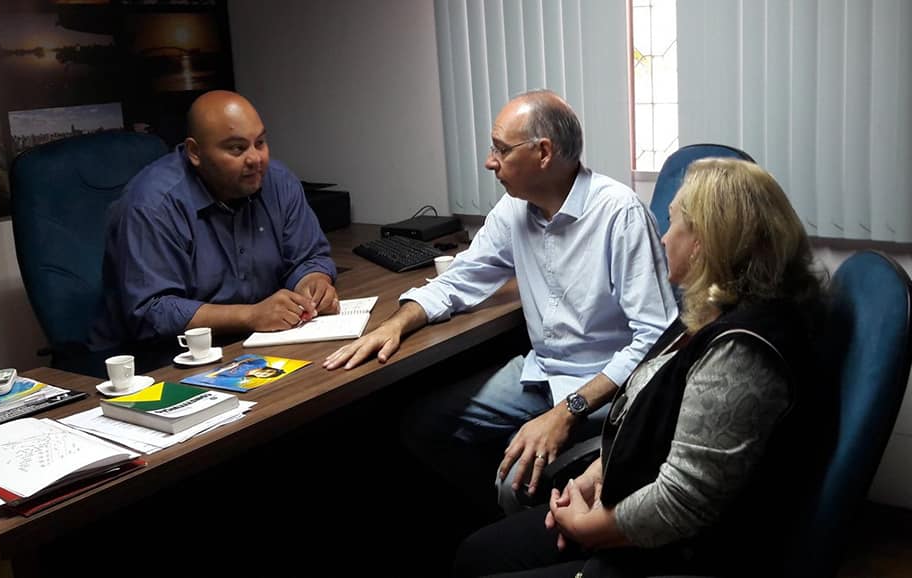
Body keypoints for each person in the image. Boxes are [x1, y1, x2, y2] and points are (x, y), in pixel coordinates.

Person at [453, 158, 827, 578]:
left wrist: (589, 527)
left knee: (480, 561)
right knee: (476, 552)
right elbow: (653, 417)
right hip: (628, 496)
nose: (664, 239)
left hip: (678, 550)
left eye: (672, 224)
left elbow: (682, 503)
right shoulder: (716, 311)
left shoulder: (741, 352)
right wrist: (594, 478)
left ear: (704, 241)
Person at [323, 89, 677, 511]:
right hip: (541, 372)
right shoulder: (515, 209)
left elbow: (656, 341)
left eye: (500, 150)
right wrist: (395, 324)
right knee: (423, 425)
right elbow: (459, 280)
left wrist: (567, 411)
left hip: (605, 387)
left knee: (514, 481)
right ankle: (497, 531)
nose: (490, 161)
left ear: (543, 153)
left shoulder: (619, 214)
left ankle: (521, 539)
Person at [90, 90, 339, 356]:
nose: (256, 159)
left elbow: (310, 256)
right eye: (237, 148)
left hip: (253, 343)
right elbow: (152, 311)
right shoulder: (153, 205)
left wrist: (312, 281)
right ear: (195, 152)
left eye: (260, 143)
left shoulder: (277, 182)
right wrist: (251, 316)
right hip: (157, 359)